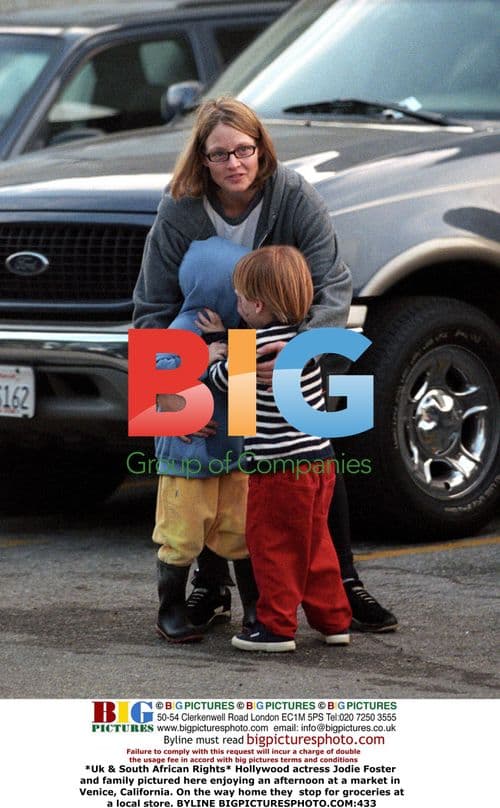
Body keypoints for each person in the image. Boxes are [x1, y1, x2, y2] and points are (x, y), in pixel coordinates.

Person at [132, 95, 397, 635]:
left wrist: (298, 350)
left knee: (313, 457)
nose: (234, 163)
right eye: (219, 154)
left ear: (261, 148)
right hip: (203, 349)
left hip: (287, 345)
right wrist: (175, 395)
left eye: (244, 150)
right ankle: (212, 587)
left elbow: (332, 283)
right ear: (200, 160)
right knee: (208, 468)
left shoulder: (293, 195)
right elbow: (151, 311)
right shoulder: (177, 210)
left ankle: (343, 582)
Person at [205, 245, 352, 651]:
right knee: (316, 545)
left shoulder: (254, 347)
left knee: (273, 548)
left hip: (278, 470)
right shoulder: (305, 345)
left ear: (255, 304)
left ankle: (274, 627)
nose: (236, 304)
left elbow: (219, 381)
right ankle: (334, 620)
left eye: (238, 297)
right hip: (320, 462)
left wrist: (215, 344)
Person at [151, 237, 252, 643]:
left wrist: (230, 349)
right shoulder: (177, 333)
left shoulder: (239, 333)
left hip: (233, 457)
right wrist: (183, 403)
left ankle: (256, 608)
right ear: (214, 288)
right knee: (181, 534)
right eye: (243, 289)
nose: (249, 298)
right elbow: (154, 391)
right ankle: (170, 610)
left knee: (242, 533)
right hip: (186, 462)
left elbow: (243, 400)